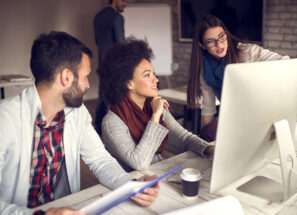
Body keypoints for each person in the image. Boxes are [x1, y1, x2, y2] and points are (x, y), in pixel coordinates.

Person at [0, 31, 159, 215]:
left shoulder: (77, 113)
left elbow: (100, 159)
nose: (87, 85)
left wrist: (129, 185)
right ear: (66, 77)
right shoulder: (5, 119)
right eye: (85, 77)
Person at [97, 38, 215, 171]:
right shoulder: (112, 122)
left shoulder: (153, 105)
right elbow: (139, 163)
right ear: (129, 83)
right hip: (131, 186)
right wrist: (155, 115)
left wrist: (211, 149)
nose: (156, 80)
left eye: (154, 73)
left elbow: (184, 138)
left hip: (155, 177)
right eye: (147, 75)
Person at [187, 15, 289, 142]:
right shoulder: (204, 70)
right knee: (207, 133)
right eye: (211, 41)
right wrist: (203, 140)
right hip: (234, 117)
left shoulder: (246, 51)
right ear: (202, 45)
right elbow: (208, 108)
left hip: (261, 114)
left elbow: (285, 61)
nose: (219, 44)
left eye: (221, 36)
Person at [93, 0, 127, 135]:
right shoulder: (117, 17)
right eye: (123, 0)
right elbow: (121, 44)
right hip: (116, 64)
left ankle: (99, 128)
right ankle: (118, 131)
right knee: (120, 96)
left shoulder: (98, 16)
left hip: (103, 62)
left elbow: (97, 40)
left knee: (103, 95)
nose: (126, 3)